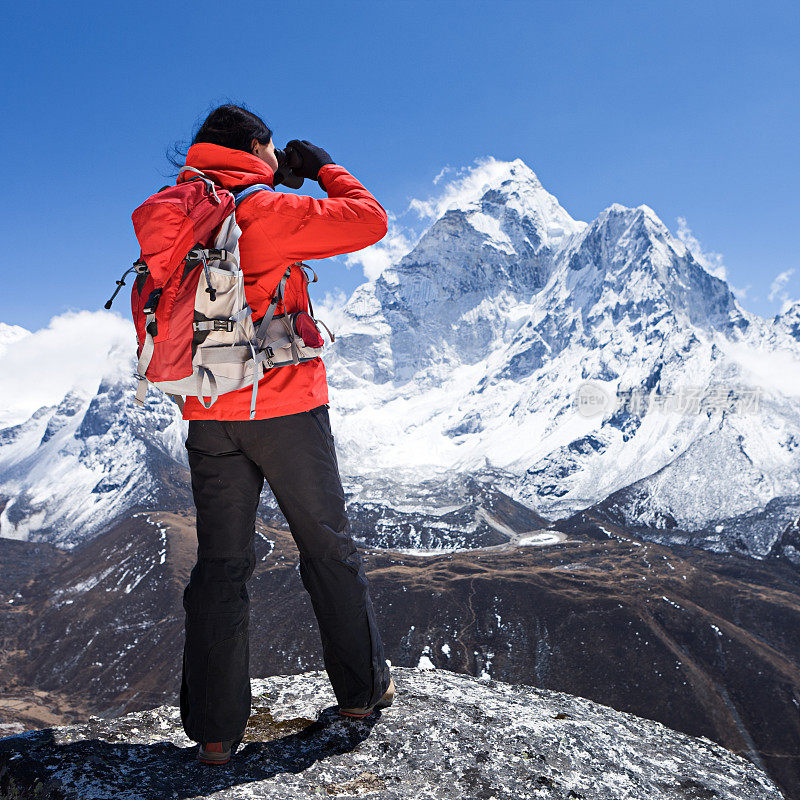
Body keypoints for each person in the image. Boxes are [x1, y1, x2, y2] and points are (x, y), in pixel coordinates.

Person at [173, 104, 395, 766]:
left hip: (208, 412)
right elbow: (370, 220)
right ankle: (360, 692)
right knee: (327, 549)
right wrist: (322, 165)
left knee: (221, 566)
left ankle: (215, 737)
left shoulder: (181, 209)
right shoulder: (264, 210)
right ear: (259, 147)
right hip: (285, 410)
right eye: (271, 153)